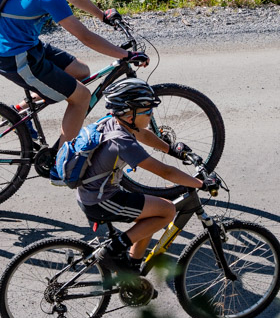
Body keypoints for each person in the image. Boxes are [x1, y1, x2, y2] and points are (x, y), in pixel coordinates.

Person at [0, 0, 147, 159]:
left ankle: (18, 112)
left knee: (82, 72)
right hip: (15, 58)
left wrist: (102, 15)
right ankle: (60, 162)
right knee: (81, 97)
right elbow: (85, 36)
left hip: (27, 47)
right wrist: (125, 55)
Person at [74, 79, 218, 271]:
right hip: (102, 200)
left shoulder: (115, 122)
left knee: (153, 207)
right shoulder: (122, 142)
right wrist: (201, 183)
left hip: (92, 193)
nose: (151, 114)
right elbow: (165, 171)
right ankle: (112, 249)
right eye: (147, 110)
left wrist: (172, 150)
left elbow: (144, 134)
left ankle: (132, 268)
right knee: (167, 211)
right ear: (130, 112)